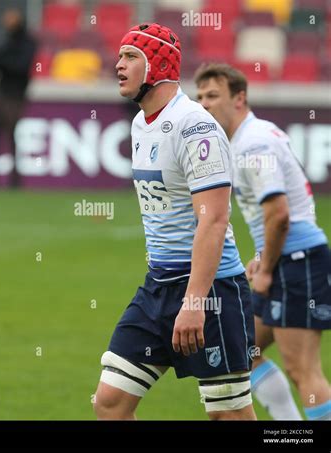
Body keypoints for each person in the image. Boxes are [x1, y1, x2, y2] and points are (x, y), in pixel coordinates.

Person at [93, 24, 256, 421]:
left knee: (228, 416)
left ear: (158, 65)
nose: (118, 65)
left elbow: (215, 220)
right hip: (158, 287)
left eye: (131, 57)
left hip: (211, 290)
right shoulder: (139, 124)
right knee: (109, 404)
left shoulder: (195, 127)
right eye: (119, 56)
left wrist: (195, 302)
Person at [195, 63, 331, 421]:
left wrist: (267, 267)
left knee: (303, 369)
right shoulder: (250, 137)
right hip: (285, 257)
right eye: (200, 97)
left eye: (213, 96)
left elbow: (281, 213)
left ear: (239, 99)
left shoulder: (253, 143)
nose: (204, 105)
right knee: (240, 350)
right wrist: (262, 254)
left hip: (295, 262)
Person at [0, 8, 37, 187]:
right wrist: (2, 62)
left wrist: (2, 63)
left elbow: (20, 66)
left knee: (11, 134)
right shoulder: (8, 41)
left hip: (15, 96)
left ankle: (15, 179)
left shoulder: (27, 43)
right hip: (2, 94)